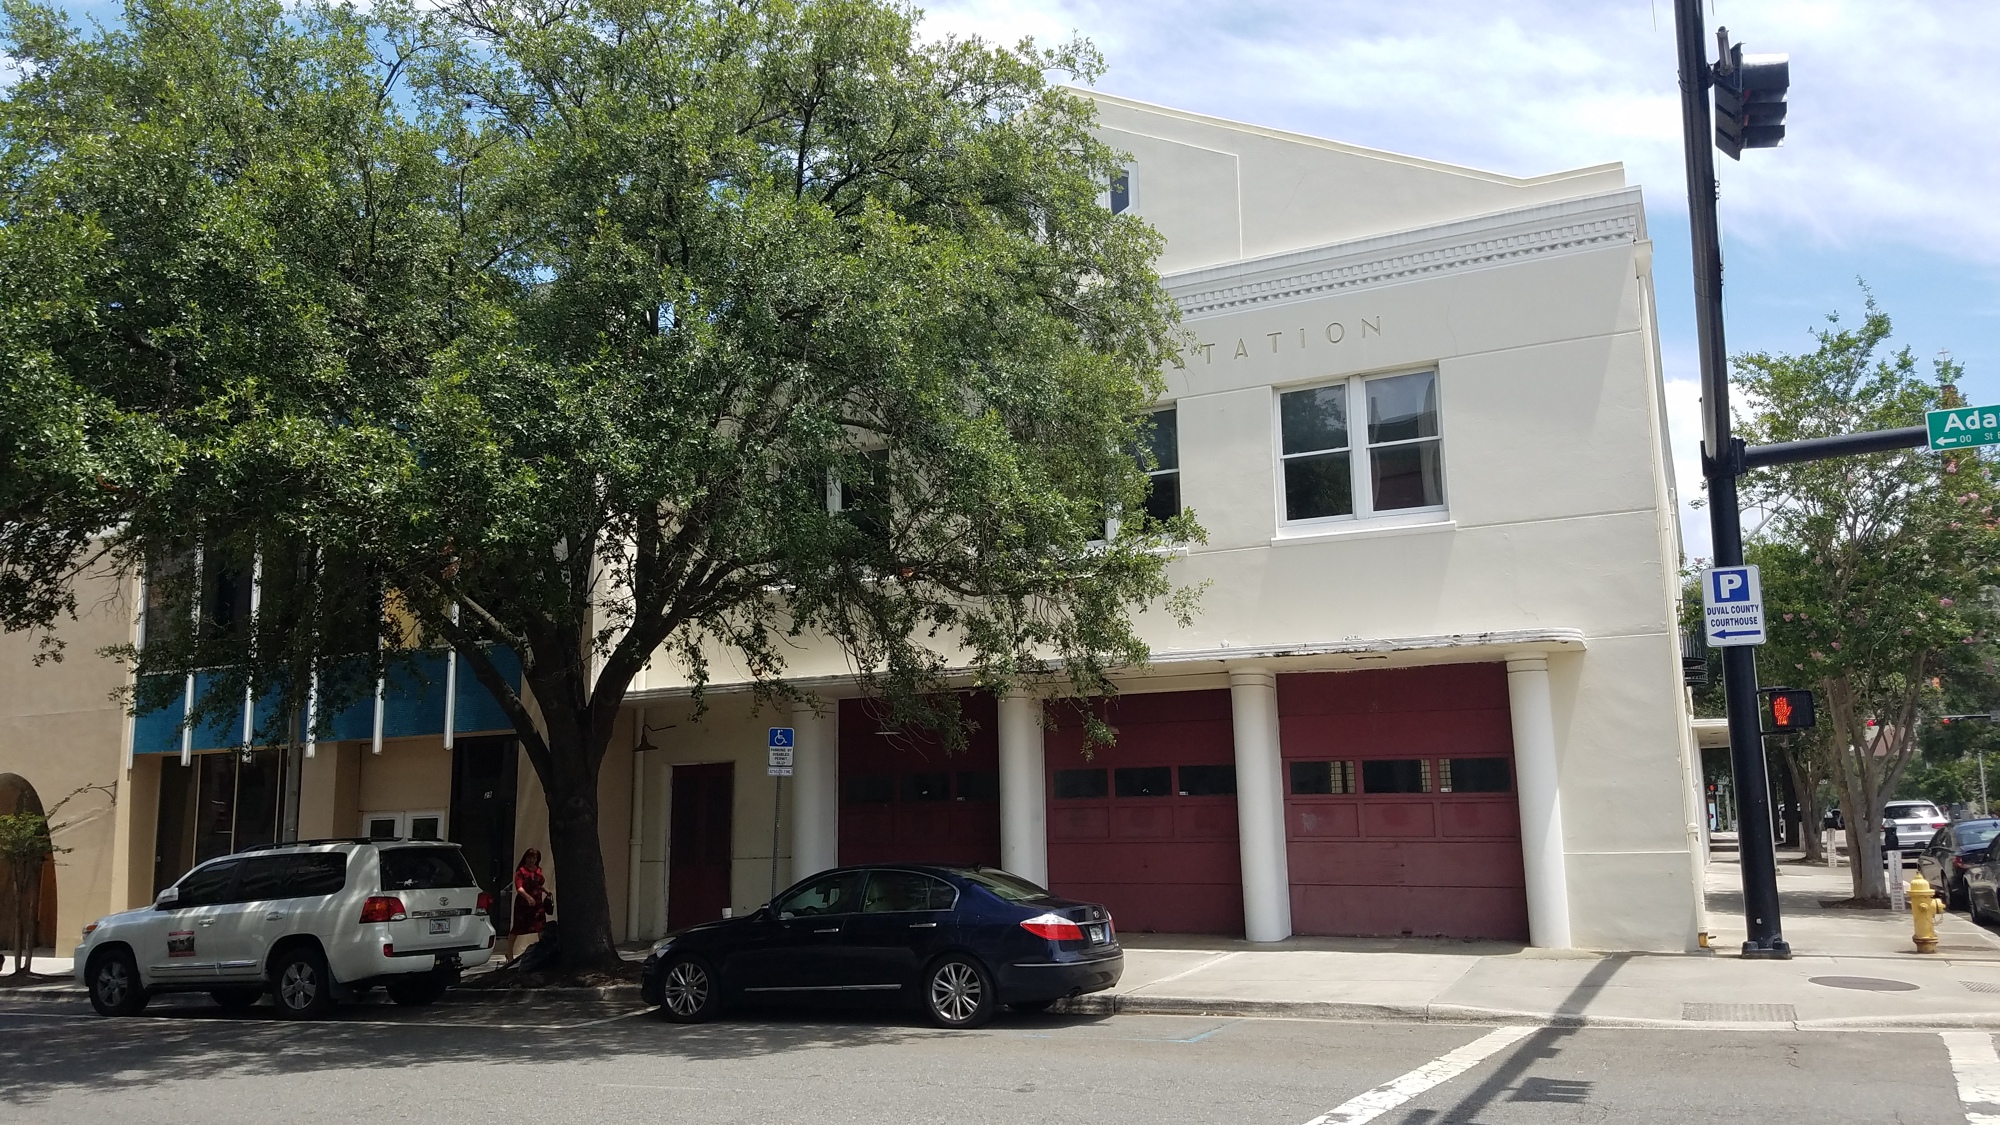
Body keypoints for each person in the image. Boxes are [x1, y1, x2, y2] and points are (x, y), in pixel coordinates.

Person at [508, 848, 551, 963]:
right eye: (529, 857)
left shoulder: (538, 870)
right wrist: (528, 897)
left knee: (540, 927)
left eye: (534, 858)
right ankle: (509, 952)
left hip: (538, 903)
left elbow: (537, 884)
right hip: (523, 904)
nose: (531, 860)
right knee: (517, 928)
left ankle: (543, 952)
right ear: (525, 858)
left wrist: (546, 891)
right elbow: (519, 888)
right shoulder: (521, 871)